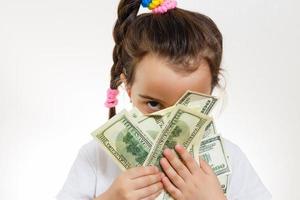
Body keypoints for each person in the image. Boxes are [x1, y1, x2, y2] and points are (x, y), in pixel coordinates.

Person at [56, 0, 272, 199]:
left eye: (187, 106)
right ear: (128, 88)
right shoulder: (96, 158)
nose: (168, 122)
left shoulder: (231, 159)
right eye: (153, 104)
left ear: (210, 94)